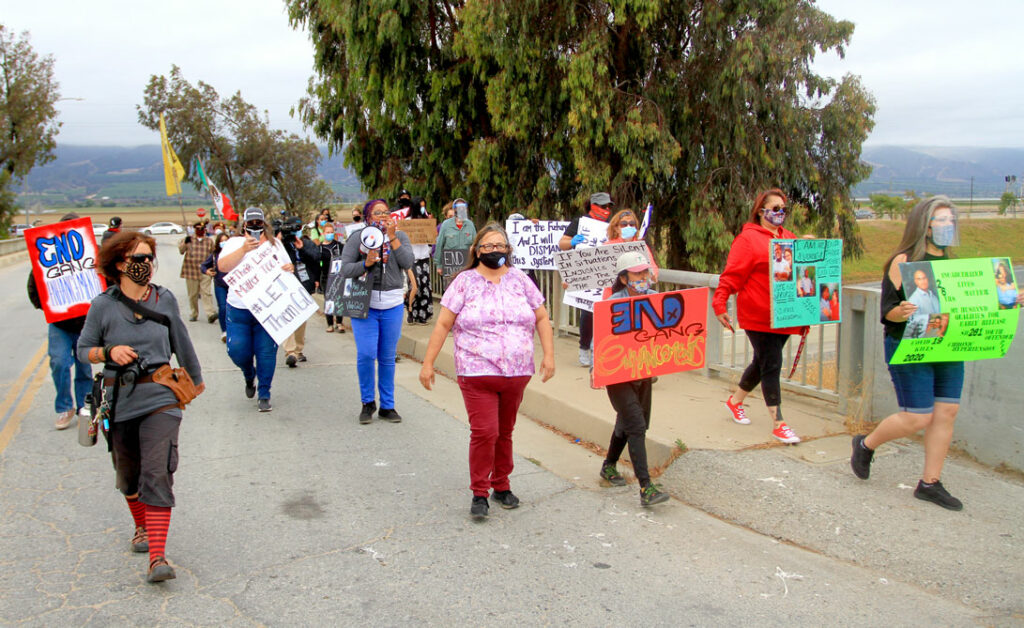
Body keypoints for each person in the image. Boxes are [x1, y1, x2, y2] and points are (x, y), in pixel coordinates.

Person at [849, 196, 1012, 510]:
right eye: (941, 220)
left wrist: (1009, 299)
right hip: (912, 346)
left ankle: (930, 482)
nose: (947, 226)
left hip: (949, 345)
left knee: (946, 412)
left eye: (951, 220)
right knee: (917, 416)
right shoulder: (904, 261)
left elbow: (974, 304)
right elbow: (888, 312)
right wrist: (903, 311)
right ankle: (866, 445)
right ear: (924, 226)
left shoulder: (955, 266)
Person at [77, 230, 204, 583]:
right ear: (119, 264)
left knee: (157, 471)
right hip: (119, 399)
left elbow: (181, 339)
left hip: (161, 396)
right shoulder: (103, 305)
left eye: (149, 258)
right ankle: (141, 526)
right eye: (138, 259)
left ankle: (158, 558)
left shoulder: (164, 299)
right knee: (128, 477)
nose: (146, 264)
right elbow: (82, 349)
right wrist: (107, 353)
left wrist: (195, 380)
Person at [418, 223, 555, 519]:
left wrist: (549, 356)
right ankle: (479, 492)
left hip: (517, 372)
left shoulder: (521, 280)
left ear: (508, 249)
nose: (495, 251)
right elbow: (443, 324)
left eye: (500, 246)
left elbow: (542, 317)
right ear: (476, 251)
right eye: (488, 246)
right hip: (476, 370)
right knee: (485, 432)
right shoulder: (464, 282)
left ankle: (501, 485)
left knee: (505, 432)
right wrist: (428, 363)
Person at [712, 188, 806, 444]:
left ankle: (735, 401)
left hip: (784, 315)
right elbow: (732, 275)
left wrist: (809, 249)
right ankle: (779, 423)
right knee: (772, 364)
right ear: (761, 211)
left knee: (762, 362)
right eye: (774, 208)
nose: (780, 213)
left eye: (783, 209)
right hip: (758, 314)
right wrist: (720, 303)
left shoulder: (789, 238)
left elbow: (802, 275)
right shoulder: (748, 240)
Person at [597, 251, 669, 507]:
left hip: (643, 373)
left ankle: (608, 466)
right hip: (618, 376)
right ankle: (646, 487)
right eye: (637, 274)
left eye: (645, 272)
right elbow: (601, 343)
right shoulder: (612, 304)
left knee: (630, 423)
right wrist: (598, 371)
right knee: (636, 425)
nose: (643, 277)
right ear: (625, 278)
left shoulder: (656, 300)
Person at [340, 199, 415, 424]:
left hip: (392, 303)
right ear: (368, 217)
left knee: (387, 356)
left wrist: (392, 238)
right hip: (365, 303)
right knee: (366, 353)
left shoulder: (400, 237)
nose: (382, 216)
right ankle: (367, 402)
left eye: (386, 212)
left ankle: (388, 406)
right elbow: (345, 269)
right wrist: (365, 264)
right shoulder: (357, 238)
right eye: (377, 213)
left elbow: (408, 261)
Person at [218, 207, 294, 412]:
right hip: (240, 307)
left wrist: (289, 269)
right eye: (250, 223)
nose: (254, 226)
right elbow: (223, 266)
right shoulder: (234, 243)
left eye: (258, 223)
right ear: (244, 225)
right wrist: (244, 249)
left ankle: (264, 393)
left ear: (263, 224)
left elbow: (288, 266)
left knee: (266, 353)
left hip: (267, 308)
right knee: (237, 350)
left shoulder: (274, 244)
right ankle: (248, 374)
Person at [27, 212, 93, 430]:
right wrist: (46, 306)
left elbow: (106, 283)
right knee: (59, 363)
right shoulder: (46, 259)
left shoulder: (90, 254)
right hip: (60, 324)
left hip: (85, 324)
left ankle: (85, 405)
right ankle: (64, 407)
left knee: (84, 368)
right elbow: (33, 286)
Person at [558, 192, 614, 367]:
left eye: (609, 207)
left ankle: (597, 350)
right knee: (588, 312)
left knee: (604, 311)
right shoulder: (579, 223)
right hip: (585, 270)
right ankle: (584, 347)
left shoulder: (611, 225)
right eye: (604, 206)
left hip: (605, 271)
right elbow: (562, 243)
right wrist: (573, 242)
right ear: (593, 205)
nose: (607, 210)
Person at [279, 216, 321, 367]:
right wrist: (280, 240)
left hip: (303, 284)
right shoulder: (280, 244)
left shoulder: (307, 243)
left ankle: (298, 350)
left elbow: (316, 258)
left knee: (301, 318)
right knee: (287, 317)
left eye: (297, 229)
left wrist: (302, 248)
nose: (294, 233)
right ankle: (290, 352)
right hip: (285, 284)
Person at [177, 222, 217, 323]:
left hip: (205, 271)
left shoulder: (209, 241)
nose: (200, 230)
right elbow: (181, 251)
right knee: (193, 294)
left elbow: (214, 254)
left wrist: (214, 267)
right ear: (194, 229)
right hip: (191, 271)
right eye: (198, 228)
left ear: (205, 230)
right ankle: (194, 313)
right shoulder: (189, 239)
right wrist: (184, 243)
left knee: (206, 293)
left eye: (202, 228)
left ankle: (210, 314)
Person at [604, 208, 659, 281]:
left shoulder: (641, 246)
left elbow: (653, 270)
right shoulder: (607, 247)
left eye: (632, 224)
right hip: (613, 291)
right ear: (616, 228)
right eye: (624, 224)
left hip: (638, 289)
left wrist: (651, 276)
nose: (628, 226)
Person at [434, 198, 476, 287]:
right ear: (454, 209)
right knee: (450, 293)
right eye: (458, 207)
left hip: (466, 266)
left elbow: (475, 244)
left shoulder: (470, 225)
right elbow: (439, 245)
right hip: (450, 267)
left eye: (463, 207)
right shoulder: (446, 225)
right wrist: (439, 265)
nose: (461, 209)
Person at [406, 196, 434, 324]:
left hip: (424, 257)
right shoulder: (407, 222)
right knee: (414, 287)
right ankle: (411, 311)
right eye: (421, 206)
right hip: (412, 258)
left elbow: (431, 239)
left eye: (425, 206)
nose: (423, 208)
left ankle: (423, 314)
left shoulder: (426, 220)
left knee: (424, 287)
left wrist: (430, 225)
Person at [199, 232, 231, 343]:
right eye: (222, 241)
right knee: (223, 308)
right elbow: (203, 266)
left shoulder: (234, 253)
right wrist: (207, 271)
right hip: (220, 284)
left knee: (233, 309)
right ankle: (225, 331)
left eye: (226, 240)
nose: (224, 243)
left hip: (233, 286)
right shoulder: (214, 254)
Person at [318, 223, 345, 333]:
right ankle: (330, 324)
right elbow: (317, 264)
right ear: (323, 233)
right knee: (329, 300)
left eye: (331, 232)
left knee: (339, 299)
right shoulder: (319, 248)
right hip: (326, 277)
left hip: (339, 276)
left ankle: (339, 322)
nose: (329, 234)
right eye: (327, 232)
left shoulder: (339, 246)